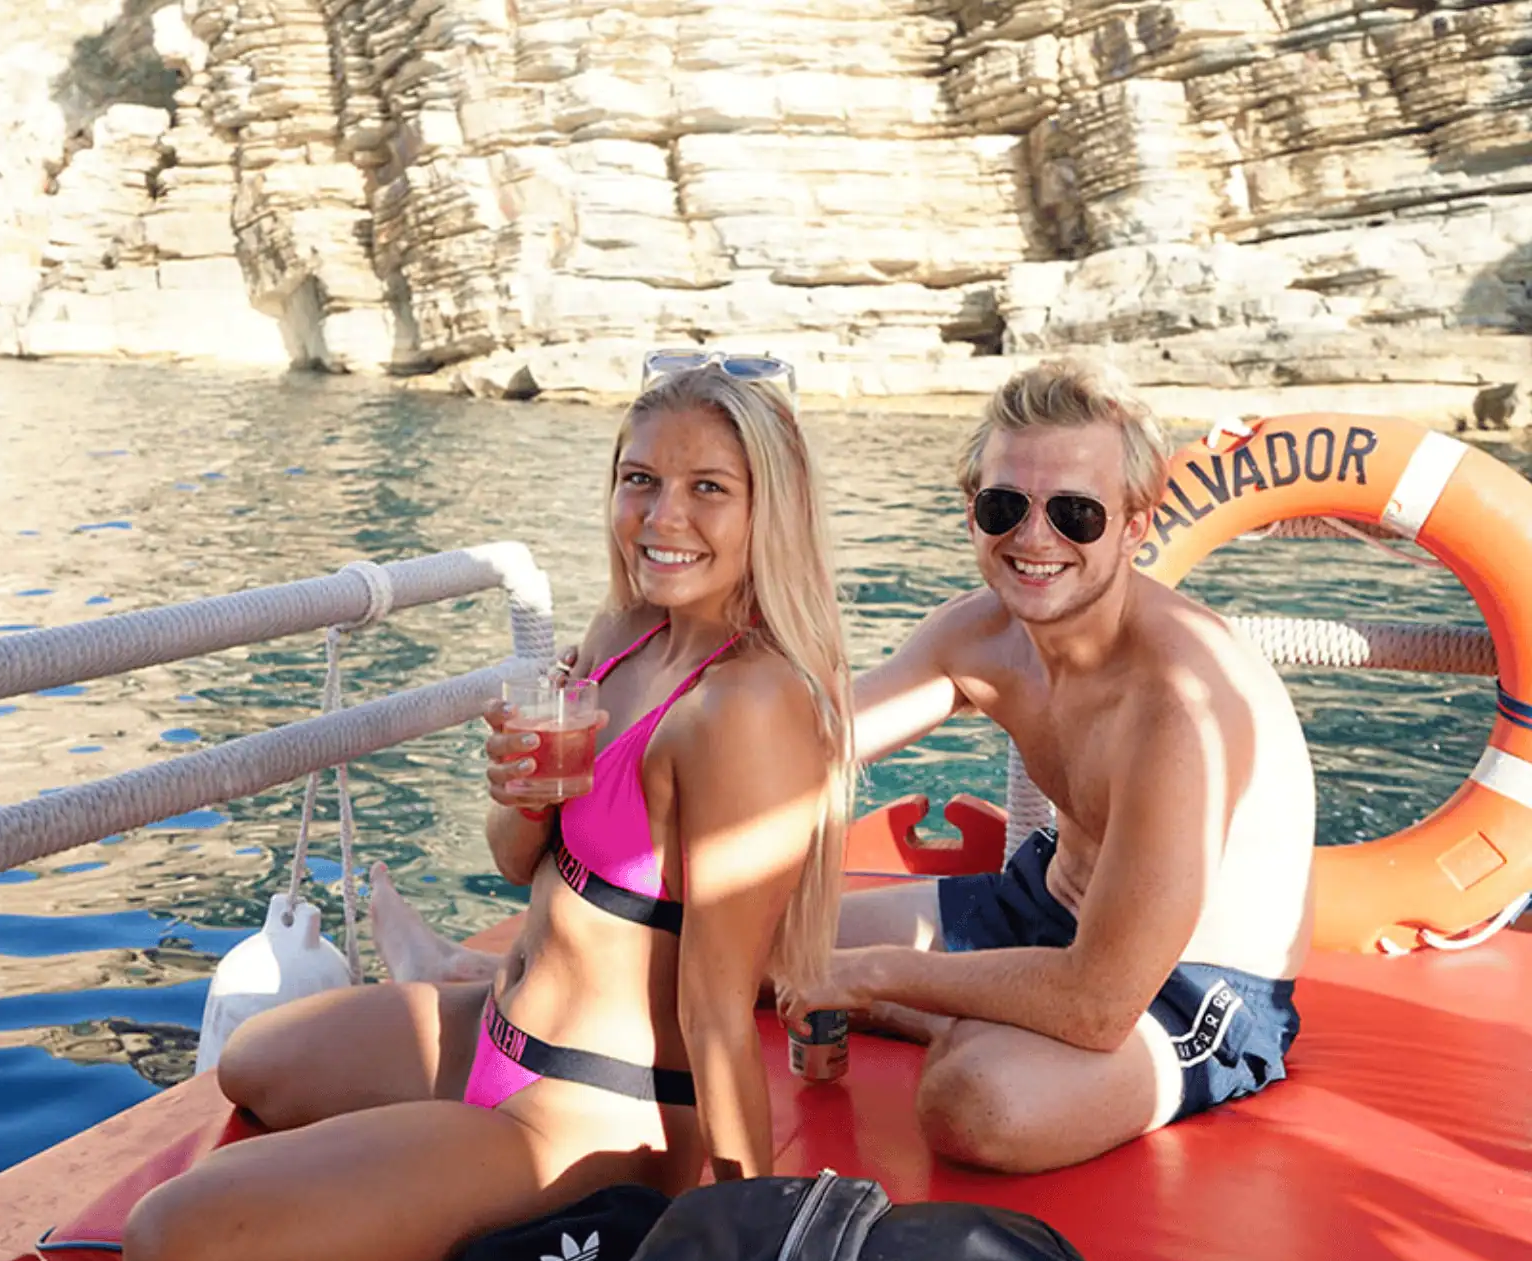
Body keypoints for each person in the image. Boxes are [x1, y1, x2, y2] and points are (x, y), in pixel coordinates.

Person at [381, 356, 1317, 1178]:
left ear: (1135, 524)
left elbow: (1101, 1000)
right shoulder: (982, 635)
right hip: (1039, 905)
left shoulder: (1174, 706)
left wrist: (864, 976)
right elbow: (809, 745)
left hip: (1196, 985)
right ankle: (484, 976)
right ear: (972, 510)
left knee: (975, 1104)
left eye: (1075, 512)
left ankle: (977, 1025)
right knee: (752, 934)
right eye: (1005, 506)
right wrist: (654, 700)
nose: (1035, 538)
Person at [121, 354, 856, 1261]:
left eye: (708, 487)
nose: (663, 517)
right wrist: (517, 796)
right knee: (255, 1062)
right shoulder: (625, 637)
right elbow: (519, 864)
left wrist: (752, 1238)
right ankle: (450, 994)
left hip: (587, 1113)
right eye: (641, 480)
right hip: (495, 1028)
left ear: (770, 508)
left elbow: (714, 1014)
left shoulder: (749, 707)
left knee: (168, 1238)